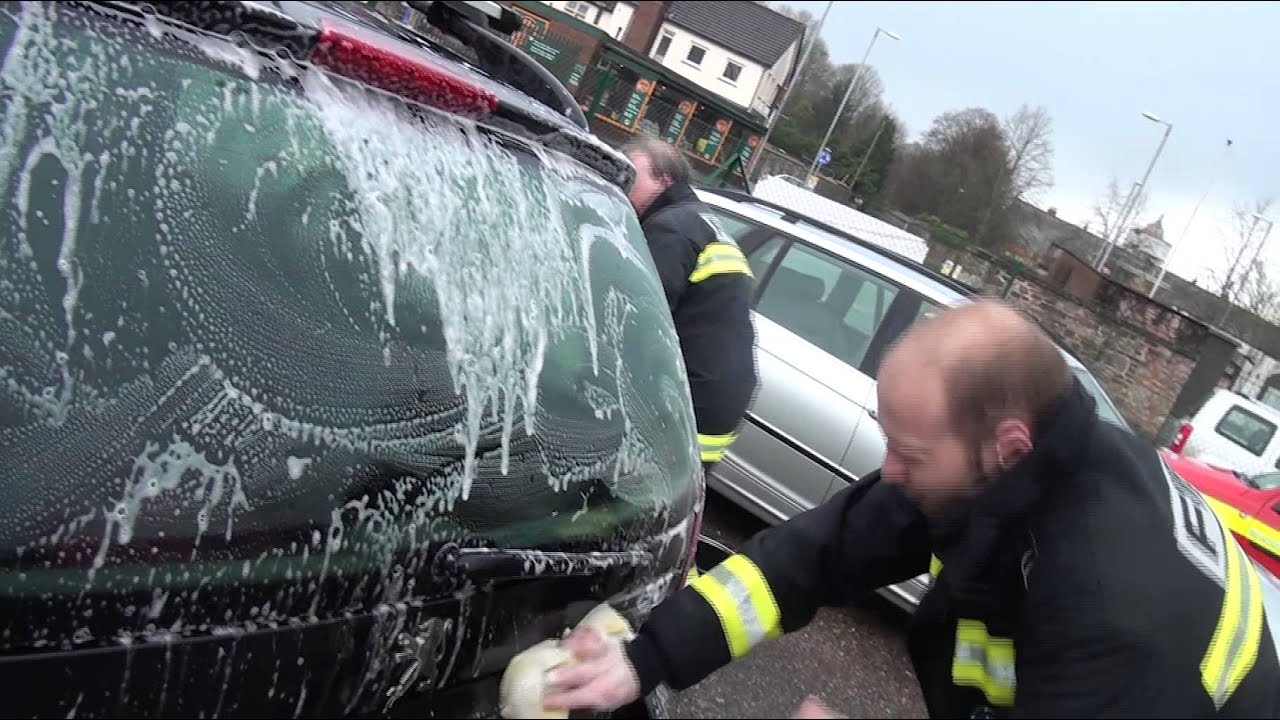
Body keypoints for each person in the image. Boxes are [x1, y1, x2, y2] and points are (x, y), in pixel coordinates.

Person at [542, 301, 1280, 718]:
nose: (890, 472)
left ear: (1008, 447)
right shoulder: (1006, 473)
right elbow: (809, 559)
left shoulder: (1111, 607)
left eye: (912, 455)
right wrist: (645, 660)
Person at [622, 138, 757, 473]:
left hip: (686, 403)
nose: (621, 186)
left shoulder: (670, 229)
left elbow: (637, 319)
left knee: (631, 496)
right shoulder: (701, 221)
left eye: (630, 177)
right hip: (718, 403)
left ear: (664, 180)